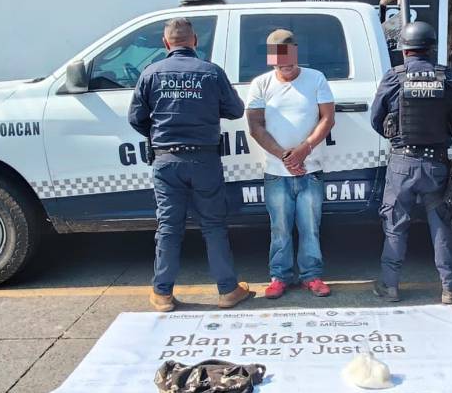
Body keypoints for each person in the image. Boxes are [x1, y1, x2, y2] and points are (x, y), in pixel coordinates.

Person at [128, 17, 251, 312]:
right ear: (194, 41)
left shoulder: (151, 73)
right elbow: (236, 110)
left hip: (166, 160)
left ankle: (162, 294)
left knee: (169, 227)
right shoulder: (211, 72)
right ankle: (227, 291)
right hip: (204, 159)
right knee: (213, 225)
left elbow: (136, 118)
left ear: (165, 43)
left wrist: (159, 133)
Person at [370, 21, 452, 304]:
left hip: (402, 163)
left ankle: (390, 286)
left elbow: (376, 119)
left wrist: (398, 137)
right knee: (441, 225)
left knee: (395, 224)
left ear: (404, 50)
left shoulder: (394, 77)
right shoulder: (446, 76)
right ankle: (450, 288)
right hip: (436, 164)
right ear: (431, 49)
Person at [246, 29, 336, 299]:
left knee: (310, 228)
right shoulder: (260, 84)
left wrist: (304, 149)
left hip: (310, 169)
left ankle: (312, 276)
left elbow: (328, 119)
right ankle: (279, 277)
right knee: (280, 228)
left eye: (288, 58)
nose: (284, 65)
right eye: (278, 60)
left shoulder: (316, 78)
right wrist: (286, 157)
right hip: (276, 172)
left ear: (296, 52)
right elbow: (255, 126)